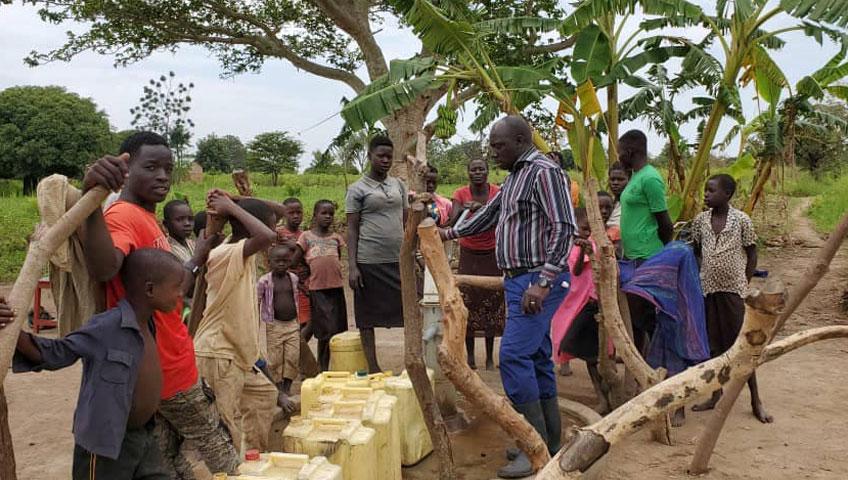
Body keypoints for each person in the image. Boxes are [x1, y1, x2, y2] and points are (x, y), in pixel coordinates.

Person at [81, 132, 238, 477]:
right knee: (218, 446)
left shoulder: (146, 217)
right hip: (166, 366)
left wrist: (198, 253)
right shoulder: (122, 216)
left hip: (164, 364)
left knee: (169, 458)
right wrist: (91, 203)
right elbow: (106, 267)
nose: (163, 176)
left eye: (168, 168)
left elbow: (173, 284)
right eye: (150, 167)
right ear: (124, 168)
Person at [441, 116, 575, 478]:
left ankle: (532, 447)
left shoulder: (544, 172)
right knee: (536, 358)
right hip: (520, 280)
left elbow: (564, 226)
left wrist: (544, 281)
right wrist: (447, 233)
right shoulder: (515, 176)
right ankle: (548, 441)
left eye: (499, 146)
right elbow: (488, 215)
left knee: (514, 356)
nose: (493, 152)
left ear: (520, 140)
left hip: (536, 281)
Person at [3, 248, 183, 480]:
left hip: (142, 437)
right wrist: (14, 331)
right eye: (176, 288)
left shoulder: (149, 323)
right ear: (149, 289)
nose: (180, 294)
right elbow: (55, 352)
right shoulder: (106, 327)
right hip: (105, 445)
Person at [194, 191, 279, 454]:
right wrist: (232, 207)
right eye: (270, 223)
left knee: (264, 396)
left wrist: (234, 201)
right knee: (224, 428)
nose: (274, 228)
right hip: (218, 352)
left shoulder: (241, 249)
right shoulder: (225, 253)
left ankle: (252, 460)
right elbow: (267, 235)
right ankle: (231, 471)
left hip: (239, 355)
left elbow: (281, 210)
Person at [690, 174, 772, 423]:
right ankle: (715, 395)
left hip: (733, 292)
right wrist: (700, 275)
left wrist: (744, 282)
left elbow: (752, 254)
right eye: (705, 190)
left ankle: (755, 400)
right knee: (713, 346)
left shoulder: (741, 221)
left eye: (711, 190)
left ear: (727, 195)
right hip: (708, 290)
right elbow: (696, 252)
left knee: (743, 345)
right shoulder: (701, 221)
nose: (706, 194)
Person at [346, 135, 409, 373]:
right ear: (369, 156)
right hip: (368, 261)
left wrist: (411, 253)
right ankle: (373, 367)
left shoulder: (398, 186)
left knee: (408, 313)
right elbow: (351, 230)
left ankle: (409, 363)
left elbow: (406, 222)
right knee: (367, 317)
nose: (385, 160)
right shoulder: (357, 189)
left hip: (397, 260)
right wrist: (352, 266)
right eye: (381, 156)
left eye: (389, 157)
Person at [552, 209, 612, 413]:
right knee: (588, 353)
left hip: (592, 303)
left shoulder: (595, 244)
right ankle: (602, 396)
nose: (586, 233)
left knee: (594, 355)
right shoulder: (573, 246)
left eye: (589, 229)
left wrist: (587, 249)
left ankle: (605, 397)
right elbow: (576, 270)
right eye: (583, 228)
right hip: (578, 301)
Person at [448, 157, 504, 371]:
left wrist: (482, 208)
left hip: (492, 254)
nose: (478, 172)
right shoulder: (460, 194)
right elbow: (453, 222)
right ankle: (470, 357)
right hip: (469, 255)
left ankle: (489, 358)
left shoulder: (497, 193)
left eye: (481, 168)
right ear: (468, 173)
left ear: (488, 171)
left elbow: (503, 218)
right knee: (468, 306)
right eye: (474, 169)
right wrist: (465, 209)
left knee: (492, 306)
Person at [296, 200, 349, 371]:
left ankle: (329, 365)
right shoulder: (306, 237)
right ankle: (322, 366)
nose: (328, 217)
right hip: (317, 289)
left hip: (336, 287)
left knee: (336, 329)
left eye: (331, 214)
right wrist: (306, 273)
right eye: (323, 213)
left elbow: (337, 258)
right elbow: (297, 258)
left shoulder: (336, 238)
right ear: (315, 215)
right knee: (323, 331)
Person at [257, 243, 301, 415]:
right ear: (270, 262)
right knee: (275, 359)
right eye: (278, 261)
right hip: (274, 325)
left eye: (285, 260)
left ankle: (288, 386)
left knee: (292, 356)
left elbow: (296, 297)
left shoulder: (293, 278)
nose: (281, 264)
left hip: (292, 324)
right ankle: (279, 389)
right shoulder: (265, 281)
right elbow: (257, 299)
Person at [275, 198, 312, 332]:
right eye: (291, 213)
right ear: (284, 214)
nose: (296, 216)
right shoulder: (278, 235)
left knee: (306, 322)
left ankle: (297, 351)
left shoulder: (307, 235)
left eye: (299, 212)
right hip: (285, 285)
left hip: (304, 285)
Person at [163, 199, 195, 264]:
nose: (187, 223)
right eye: (179, 219)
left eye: (190, 219)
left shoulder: (194, 244)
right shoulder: (166, 250)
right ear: (166, 224)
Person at [607, 161, 631, 228]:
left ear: (629, 180)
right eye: (612, 179)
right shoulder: (605, 203)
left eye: (620, 180)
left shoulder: (634, 205)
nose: (615, 183)